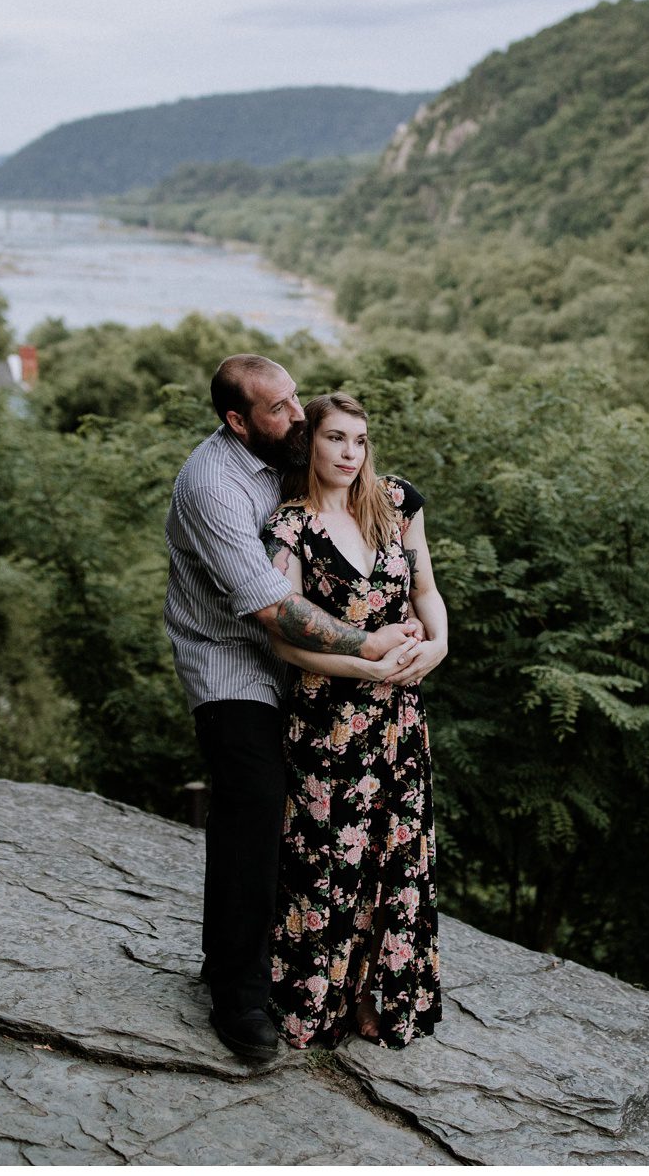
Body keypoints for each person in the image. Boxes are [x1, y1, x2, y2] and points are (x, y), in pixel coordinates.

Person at [164, 356, 421, 1062]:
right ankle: (237, 993)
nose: (298, 413)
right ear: (236, 421)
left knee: (329, 814)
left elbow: (355, 485)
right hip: (235, 661)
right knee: (255, 799)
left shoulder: (286, 446)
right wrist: (371, 644)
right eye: (278, 408)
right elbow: (274, 609)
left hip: (314, 670)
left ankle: (316, 974)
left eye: (295, 396)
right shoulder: (212, 485)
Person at [259, 392, 449, 1049]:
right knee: (329, 859)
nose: (349, 453)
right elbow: (283, 639)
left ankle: (374, 993)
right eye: (336, 438)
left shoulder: (396, 503)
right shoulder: (291, 526)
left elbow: (425, 590)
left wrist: (440, 646)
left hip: (400, 715)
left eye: (359, 440)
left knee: (391, 858)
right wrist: (364, 668)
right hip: (328, 720)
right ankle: (323, 997)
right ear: (310, 442)